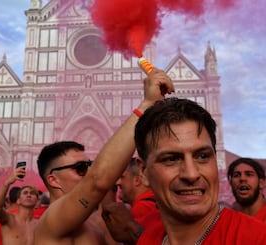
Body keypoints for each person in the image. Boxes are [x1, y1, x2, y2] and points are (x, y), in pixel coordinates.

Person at [34, 68, 174, 244]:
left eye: (90, 165)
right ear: (54, 180)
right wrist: (146, 105)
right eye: (80, 168)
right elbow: (97, 181)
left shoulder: (96, 227)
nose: (90, 171)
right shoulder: (52, 221)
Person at [133, 98, 266, 244]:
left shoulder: (257, 238)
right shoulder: (148, 238)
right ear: (144, 172)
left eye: (202, 156)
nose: (191, 174)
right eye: (171, 159)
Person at [0, 166, 39, 245]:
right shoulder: (10, 219)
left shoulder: (39, 224)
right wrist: (7, 183)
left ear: (37, 201)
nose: (29, 195)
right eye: (25, 193)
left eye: (32, 193)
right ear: (18, 200)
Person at [116, 157, 157, 225]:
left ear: (137, 180)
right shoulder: (155, 202)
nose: (118, 182)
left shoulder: (141, 208)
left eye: (122, 177)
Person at [228, 157, 266, 221]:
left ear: (261, 182)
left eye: (249, 174)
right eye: (236, 175)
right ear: (231, 183)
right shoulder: (228, 219)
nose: (242, 179)